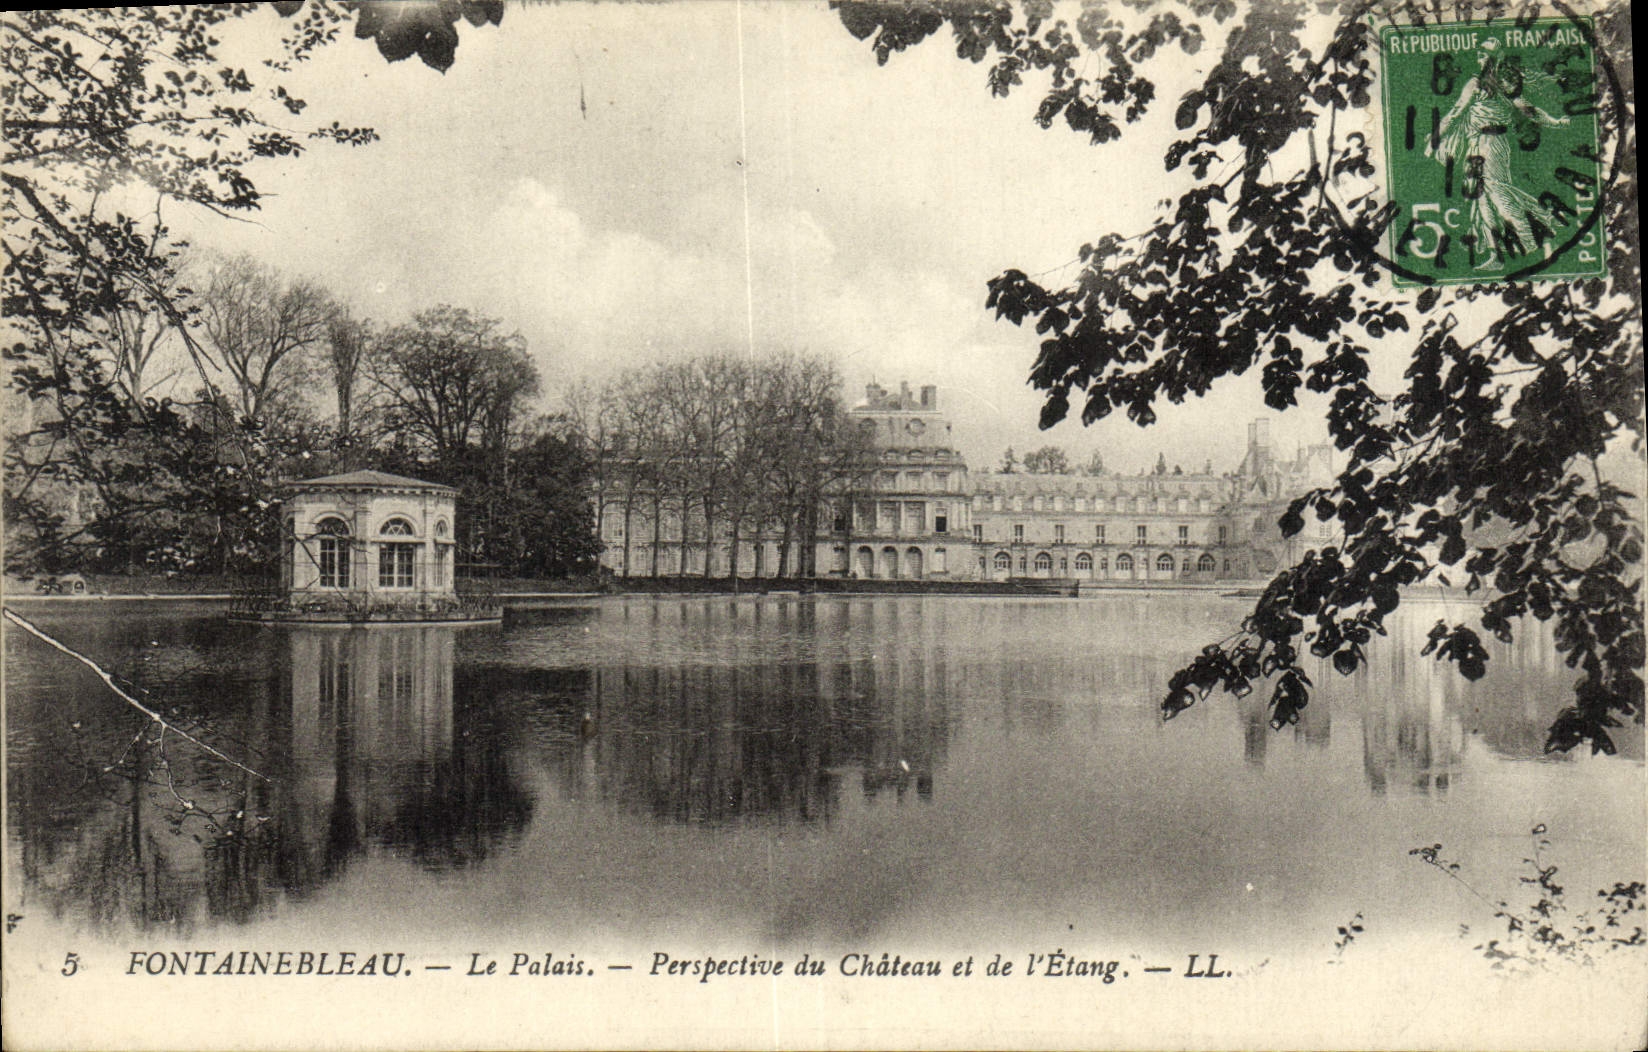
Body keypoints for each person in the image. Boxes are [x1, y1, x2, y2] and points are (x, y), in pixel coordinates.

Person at [1426, 38, 1571, 269]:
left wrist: (1555, 122)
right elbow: (1455, 113)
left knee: (1498, 195)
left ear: (1494, 59)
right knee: (1482, 200)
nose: (1479, 58)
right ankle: (1497, 255)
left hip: (1493, 144)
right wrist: (1438, 135)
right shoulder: (1476, 83)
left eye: (1483, 55)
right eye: (1479, 55)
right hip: (1475, 144)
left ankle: (1530, 236)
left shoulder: (1504, 84)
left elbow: (1530, 110)